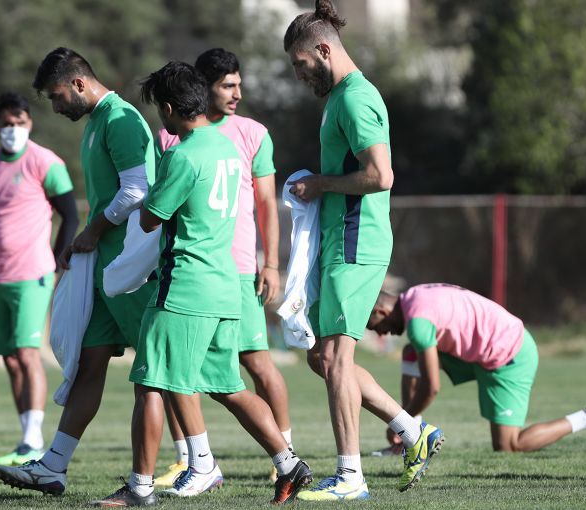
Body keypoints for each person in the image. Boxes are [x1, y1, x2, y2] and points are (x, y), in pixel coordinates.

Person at [91, 61, 312, 507]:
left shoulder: (183, 154)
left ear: (170, 109)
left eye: (160, 110)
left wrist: (144, 201)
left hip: (184, 286)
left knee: (150, 383)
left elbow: (152, 219)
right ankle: (289, 463)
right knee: (229, 387)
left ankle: (139, 488)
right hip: (226, 285)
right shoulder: (228, 149)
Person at [283, 0, 444, 499]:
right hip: (339, 242)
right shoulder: (339, 98)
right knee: (322, 356)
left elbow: (380, 175)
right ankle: (413, 430)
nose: (299, 75)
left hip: (355, 243)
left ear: (323, 50)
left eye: (300, 64)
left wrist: (320, 184)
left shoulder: (355, 98)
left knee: (334, 357)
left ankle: (350, 476)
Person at [0, 47, 157, 496]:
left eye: (56, 95)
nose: (54, 105)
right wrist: (86, 239)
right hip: (106, 269)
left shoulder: (121, 120)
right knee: (89, 362)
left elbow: (137, 191)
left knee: (157, 375)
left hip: (133, 268)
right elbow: (111, 195)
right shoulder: (96, 123)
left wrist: (93, 230)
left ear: (79, 83)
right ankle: (53, 466)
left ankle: (198, 462)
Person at [154, 48, 290, 486]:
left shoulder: (249, 134)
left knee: (250, 365)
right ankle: (193, 460)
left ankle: (280, 454)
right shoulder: (174, 138)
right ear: (203, 88)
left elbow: (266, 202)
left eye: (238, 84)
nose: (237, 94)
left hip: (229, 271)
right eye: (227, 85)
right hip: (197, 272)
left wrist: (271, 263)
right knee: (191, 373)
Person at [0, 92, 79, 466]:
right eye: (7, 124)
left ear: (30, 123)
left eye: (20, 122)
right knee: (10, 359)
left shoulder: (46, 162)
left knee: (27, 353)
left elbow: (71, 215)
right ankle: (25, 436)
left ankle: (33, 439)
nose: (13, 129)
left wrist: (58, 263)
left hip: (34, 273)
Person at [366, 283, 586, 453]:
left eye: (373, 325)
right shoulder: (414, 295)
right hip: (481, 351)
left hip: (510, 354)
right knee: (411, 352)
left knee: (509, 445)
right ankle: (411, 443)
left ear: (381, 310)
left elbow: (431, 388)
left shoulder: (418, 323)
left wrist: (399, 421)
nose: (379, 333)